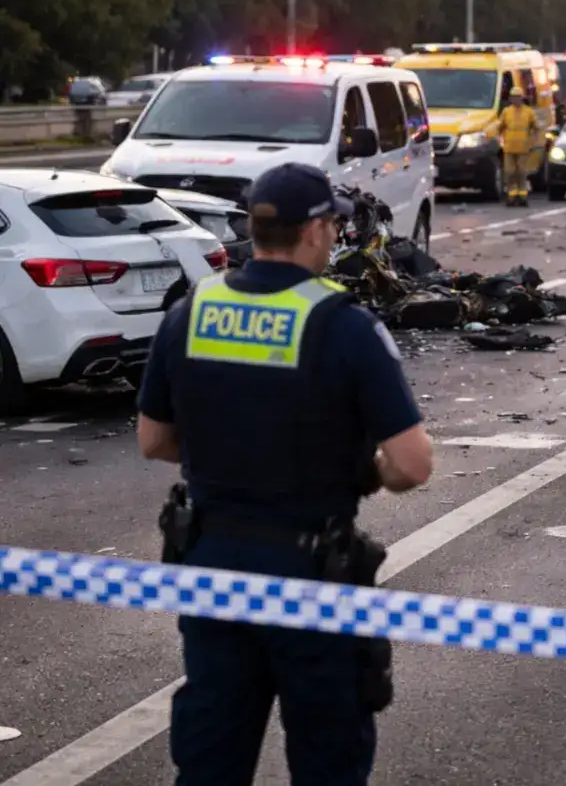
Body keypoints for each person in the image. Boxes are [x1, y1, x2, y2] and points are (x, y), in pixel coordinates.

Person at [137, 162, 435, 786]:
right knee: (328, 753)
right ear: (316, 231)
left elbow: (155, 440)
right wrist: (365, 471)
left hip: (212, 562)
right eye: (333, 226)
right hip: (310, 573)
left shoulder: (191, 310)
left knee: (212, 751)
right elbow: (412, 464)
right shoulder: (344, 324)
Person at [497, 86, 540, 206]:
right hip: (509, 148)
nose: (516, 99)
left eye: (518, 97)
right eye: (513, 97)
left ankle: (522, 197)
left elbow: (536, 128)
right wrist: (500, 140)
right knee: (510, 173)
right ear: (510, 98)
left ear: (522, 98)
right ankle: (511, 196)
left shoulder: (528, 112)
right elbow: (500, 128)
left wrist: (533, 142)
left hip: (523, 148)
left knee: (521, 173)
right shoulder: (506, 112)